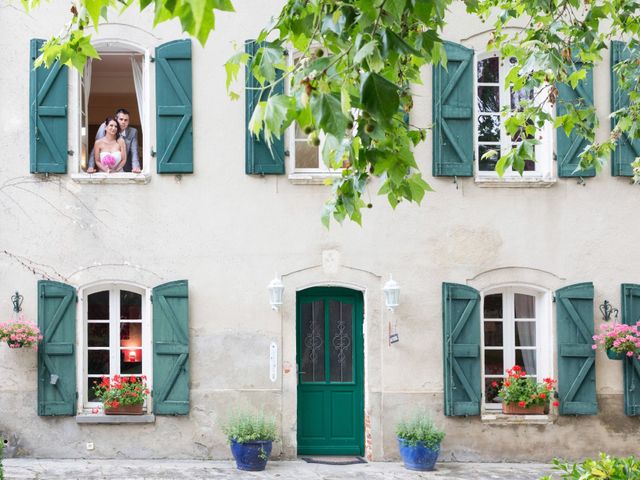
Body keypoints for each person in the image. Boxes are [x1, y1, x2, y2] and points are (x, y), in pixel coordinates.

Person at [87, 108, 141, 173]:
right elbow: (95, 149)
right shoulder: (104, 127)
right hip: (104, 169)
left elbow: (134, 151)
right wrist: (91, 167)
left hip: (124, 168)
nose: (123, 122)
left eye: (126, 120)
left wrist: (136, 167)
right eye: (121, 119)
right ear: (116, 119)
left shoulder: (133, 132)